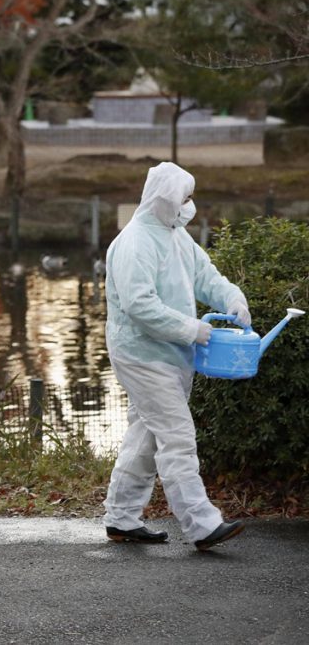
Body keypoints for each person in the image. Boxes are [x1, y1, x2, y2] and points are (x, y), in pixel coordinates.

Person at [102, 161, 250, 551]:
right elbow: (139, 305)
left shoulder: (175, 235)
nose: (189, 205)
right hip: (141, 354)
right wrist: (192, 330)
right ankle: (202, 524)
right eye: (183, 198)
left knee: (146, 435)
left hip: (170, 353)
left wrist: (232, 298)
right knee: (177, 435)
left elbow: (206, 276)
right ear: (165, 199)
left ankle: (121, 517)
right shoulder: (135, 242)